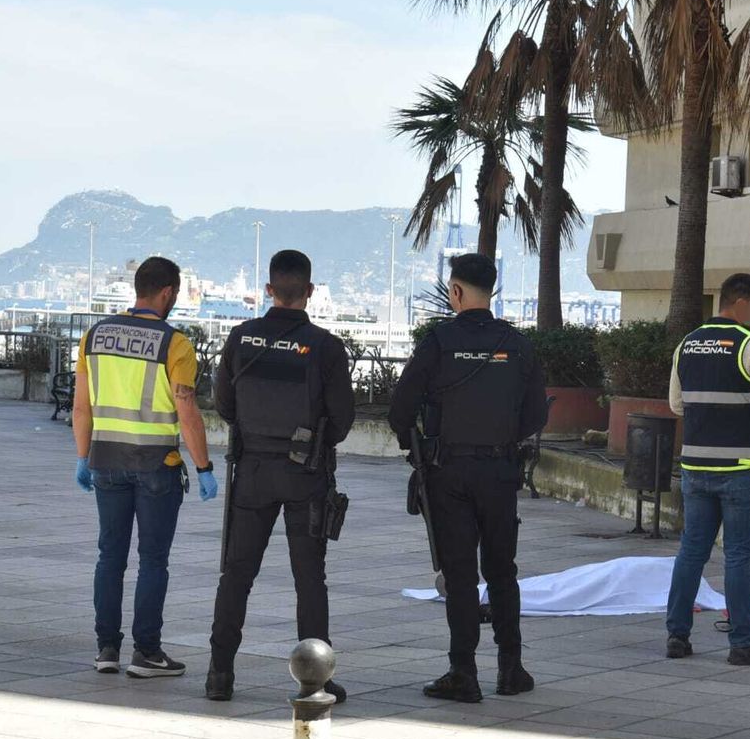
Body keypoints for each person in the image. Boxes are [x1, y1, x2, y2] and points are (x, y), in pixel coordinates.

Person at [388, 253, 548, 703]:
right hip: (500, 471)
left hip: (448, 472)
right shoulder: (516, 344)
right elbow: (536, 413)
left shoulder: (438, 342)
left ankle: (464, 672)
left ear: (455, 292)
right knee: (502, 571)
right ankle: (512, 668)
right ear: (490, 290)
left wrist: (420, 445)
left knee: (460, 575)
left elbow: (400, 410)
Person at [206, 249, 355, 703]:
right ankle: (318, 678)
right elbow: (343, 421)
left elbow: (225, 406)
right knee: (309, 579)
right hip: (304, 474)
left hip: (250, 471)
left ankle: (219, 676)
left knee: (236, 575)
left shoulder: (240, 339)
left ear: (269, 289)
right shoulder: (326, 348)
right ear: (309, 291)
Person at [72, 256, 215, 679]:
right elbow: (186, 410)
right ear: (168, 292)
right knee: (153, 560)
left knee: (109, 557)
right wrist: (204, 466)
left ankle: (106, 649)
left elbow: (82, 407)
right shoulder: (175, 344)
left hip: (106, 463)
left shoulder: (94, 336)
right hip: (157, 464)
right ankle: (147, 652)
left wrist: (83, 458)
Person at [664, 272, 750, 665]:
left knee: (691, 552)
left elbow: (676, 406)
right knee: (737, 556)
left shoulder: (687, 343)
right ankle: (742, 643)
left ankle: (677, 636)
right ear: (742, 303)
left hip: (696, 467)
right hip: (742, 469)